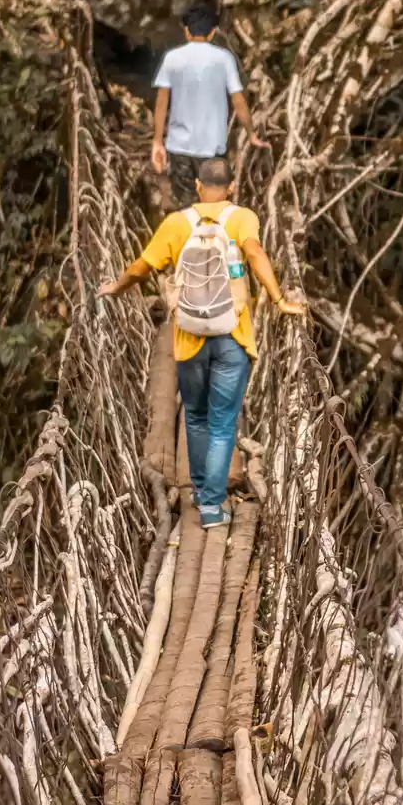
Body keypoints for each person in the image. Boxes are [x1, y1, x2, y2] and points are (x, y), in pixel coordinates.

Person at [99, 157, 306, 528]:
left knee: (195, 417)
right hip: (233, 337)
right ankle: (212, 506)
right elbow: (256, 254)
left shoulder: (177, 223)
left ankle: (199, 491)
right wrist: (280, 301)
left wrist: (117, 286)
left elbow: (142, 266)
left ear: (196, 186)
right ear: (231, 188)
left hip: (189, 338)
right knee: (223, 423)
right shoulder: (243, 218)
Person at [151, 2, 269, 207]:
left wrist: (157, 142)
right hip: (213, 149)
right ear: (212, 33)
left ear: (186, 31)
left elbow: (162, 102)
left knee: (186, 210)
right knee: (214, 208)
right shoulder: (224, 59)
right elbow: (238, 100)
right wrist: (251, 134)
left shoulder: (173, 58)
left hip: (180, 148)